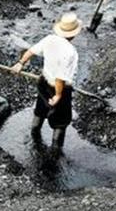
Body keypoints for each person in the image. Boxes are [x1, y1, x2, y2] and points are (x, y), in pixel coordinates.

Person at [9, 13, 82, 152]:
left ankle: (34, 135)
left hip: (43, 83)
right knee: (61, 122)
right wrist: (58, 95)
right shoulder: (71, 52)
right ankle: (55, 150)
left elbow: (31, 51)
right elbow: (60, 77)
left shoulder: (49, 39)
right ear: (74, 34)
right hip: (60, 88)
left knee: (40, 111)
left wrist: (20, 63)